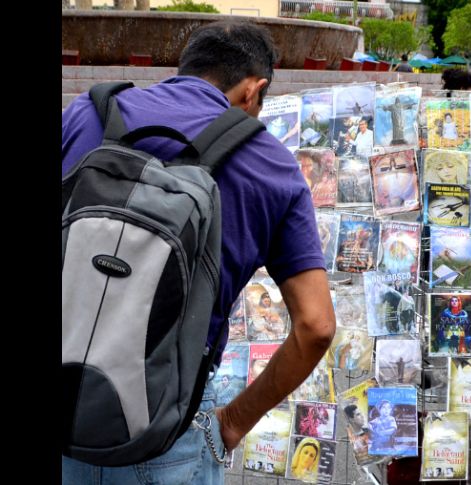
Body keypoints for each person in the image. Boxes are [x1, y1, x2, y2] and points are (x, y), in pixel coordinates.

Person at [61, 20, 336, 483]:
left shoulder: (87, 113)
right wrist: (233, 422)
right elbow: (316, 326)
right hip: (168, 427)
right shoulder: (272, 166)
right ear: (255, 90)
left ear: (182, 68)